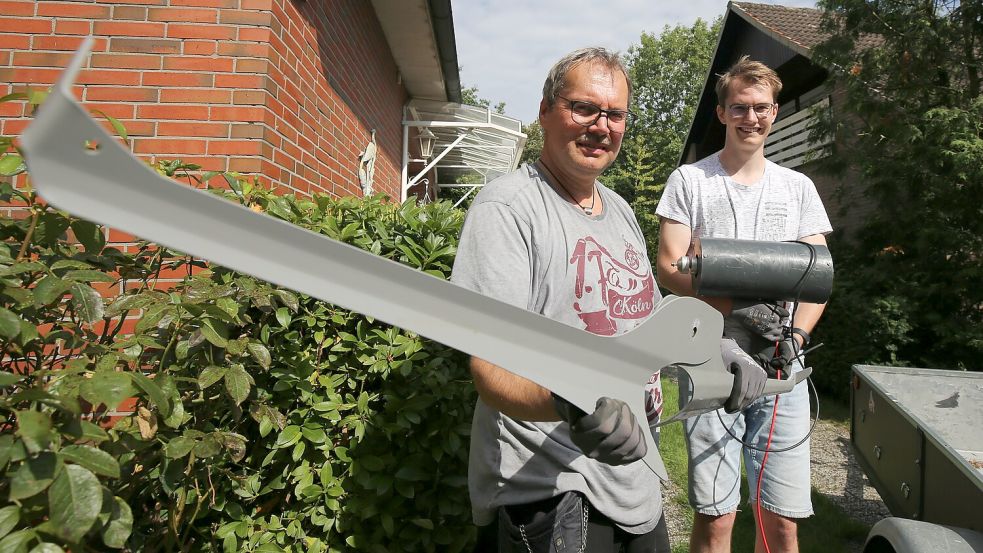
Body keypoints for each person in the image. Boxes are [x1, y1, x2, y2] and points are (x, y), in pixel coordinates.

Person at [451, 47, 675, 553]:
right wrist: (574, 406)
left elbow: (648, 315)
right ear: (546, 110)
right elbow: (490, 370)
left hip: (633, 484)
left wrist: (717, 352)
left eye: (615, 114)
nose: (601, 126)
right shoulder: (509, 208)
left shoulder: (618, 209)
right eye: (584, 108)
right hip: (555, 494)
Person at [655, 56, 833, 553]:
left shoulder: (798, 189)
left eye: (760, 108)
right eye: (739, 108)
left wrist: (793, 338)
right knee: (716, 516)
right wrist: (734, 313)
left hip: (781, 368)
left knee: (780, 520)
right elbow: (670, 267)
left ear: (774, 112)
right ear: (722, 113)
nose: (750, 118)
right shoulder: (690, 181)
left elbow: (817, 277)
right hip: (713, 359)